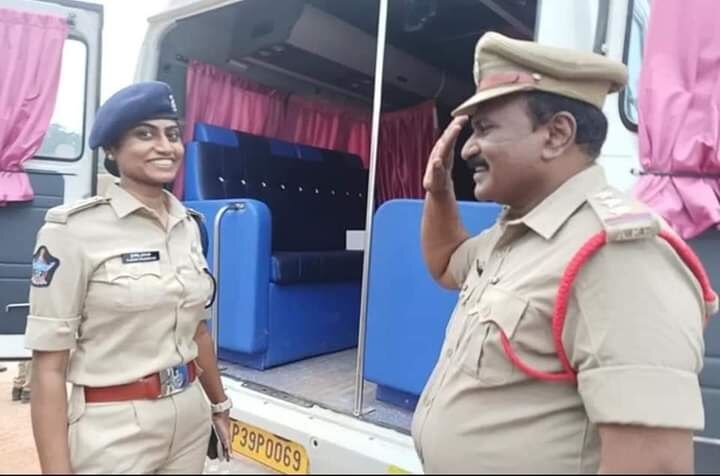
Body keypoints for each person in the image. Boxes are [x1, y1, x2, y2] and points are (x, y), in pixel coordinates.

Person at [412, 32, 718, 473]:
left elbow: (656, 466)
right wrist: (438, 191)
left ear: (556, 134)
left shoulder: (617, 255)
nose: (468, 148)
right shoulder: (514, 233)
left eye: (485, 128)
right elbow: (445, 263)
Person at [25, 81, 231, 474]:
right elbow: (49, 367)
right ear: (112, 151)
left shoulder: (188, 225)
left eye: (172, 135)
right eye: (144, 134)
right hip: (114, 427)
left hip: (189, 415)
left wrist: (218, 405)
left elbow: (197, 330)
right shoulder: (71, 231)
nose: (165, 146)